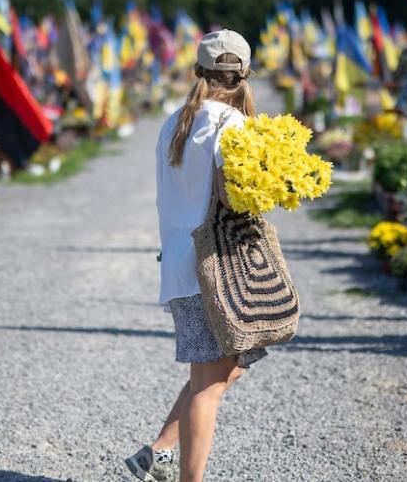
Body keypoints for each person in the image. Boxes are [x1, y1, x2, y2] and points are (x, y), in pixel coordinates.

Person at [125, 29, 266, 482]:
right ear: (243, 74)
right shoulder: (233, 126)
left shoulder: (174, 123)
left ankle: (158, 450)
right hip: (219, 269)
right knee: (209, 385)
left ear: (197, 72)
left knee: (225, 369)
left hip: (182, 265)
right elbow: (232, 198)